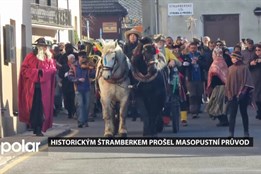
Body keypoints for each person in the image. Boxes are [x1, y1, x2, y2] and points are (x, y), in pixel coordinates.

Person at [18, 38, 56, 136]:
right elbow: (24, 69)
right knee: (33, 107)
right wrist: (35, 72)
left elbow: (52, 70)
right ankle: (35, 127)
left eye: (44, 46)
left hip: (44, 89)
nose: (42, 48)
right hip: (32, 88)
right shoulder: (30, 57)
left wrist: (43, 73)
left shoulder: (49, 58)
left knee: (42, 108)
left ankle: (39, 127)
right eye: (40, 46)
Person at [225, 51, 254, 137]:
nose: (233, 59)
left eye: (234, 58)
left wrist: (242, 93)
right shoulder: (230, 68)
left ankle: (246, 132)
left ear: (238, 58)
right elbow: (227, 83)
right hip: (232, 95)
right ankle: (231, 133)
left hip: (242, 95)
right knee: (232, 115)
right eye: (232, 58)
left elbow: (248, 82)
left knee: (244, 113)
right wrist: (229, 93)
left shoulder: (244, 68)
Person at [206, 47, 229, 127]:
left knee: (217, 104)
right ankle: (224, 120)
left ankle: (223, 120)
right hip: (223, 86)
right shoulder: (223, 61)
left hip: (218, 87)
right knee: (221, 104)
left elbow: (214, 75)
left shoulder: (216, 63)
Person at [68, 51, 91, 128]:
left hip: (87, 88)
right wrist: (78, 80)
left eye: (85, 57)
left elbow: (94, 74)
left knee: (87, 106)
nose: (84, 59)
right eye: (82, 57)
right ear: (79, 57)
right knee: (80, 105)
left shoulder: (88, 65)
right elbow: (70, 76)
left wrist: (90, 68)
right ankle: (80, 122)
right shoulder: (74, 66)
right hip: (78, 88)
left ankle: (85, 121)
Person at [123, 28, 142, 121]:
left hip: (138, 68)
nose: (133, 37)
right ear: (129, 38)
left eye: (134, 36)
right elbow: (123, 56)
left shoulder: (140, 46)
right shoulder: (125, 46)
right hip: (128, 68)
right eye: (131, 36)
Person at [59, 54, 76, 119]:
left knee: (73, 99)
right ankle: (69, 112)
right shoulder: (64, 66)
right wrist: (66, 74)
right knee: (67, 99)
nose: (73, 60)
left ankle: (73, 112)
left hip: (73, 85)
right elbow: (60, 74)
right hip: (66, 85)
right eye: (71, 59)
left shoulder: (75, 66)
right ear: (68, 60)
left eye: (73, 59)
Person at [249, 44, 261, 120]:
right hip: (255, 81)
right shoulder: (253, 58)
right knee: (256, 98)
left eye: (259, 50)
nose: (257, 52)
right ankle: (259, 111)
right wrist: (250, 64)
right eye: (256, 50)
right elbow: (247, 67)